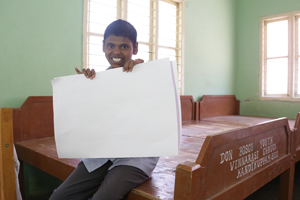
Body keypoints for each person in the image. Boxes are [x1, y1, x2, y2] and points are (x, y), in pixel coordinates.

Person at [49, 19, 159, 200]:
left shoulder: (147, 74)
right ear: (103, 47)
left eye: (124, 46)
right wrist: (82, 88)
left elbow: (158, 107)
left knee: (103, 197)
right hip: (103, 152)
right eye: (110, 46)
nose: (116, 51)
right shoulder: (97, 80)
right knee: (59, 197)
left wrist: (146, 74)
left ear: (135, 48)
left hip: (136, 155)